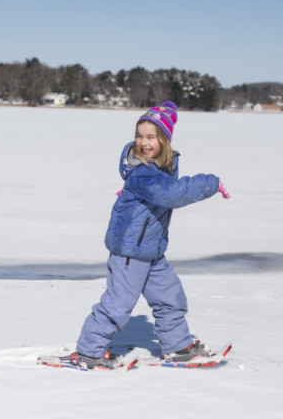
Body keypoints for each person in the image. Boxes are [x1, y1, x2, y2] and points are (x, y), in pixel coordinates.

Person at [72, 101, 230, 369]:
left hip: (152, 251)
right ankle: (88, 351)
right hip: (130, 253)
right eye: (139, 136)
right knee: (118, 304)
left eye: (150, 137)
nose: (143, 142)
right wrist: (210, 183)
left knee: (170, 297)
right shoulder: (144, 174)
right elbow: (171, 194)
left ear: (165, 140)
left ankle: (178, 346)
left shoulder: (159, 169)